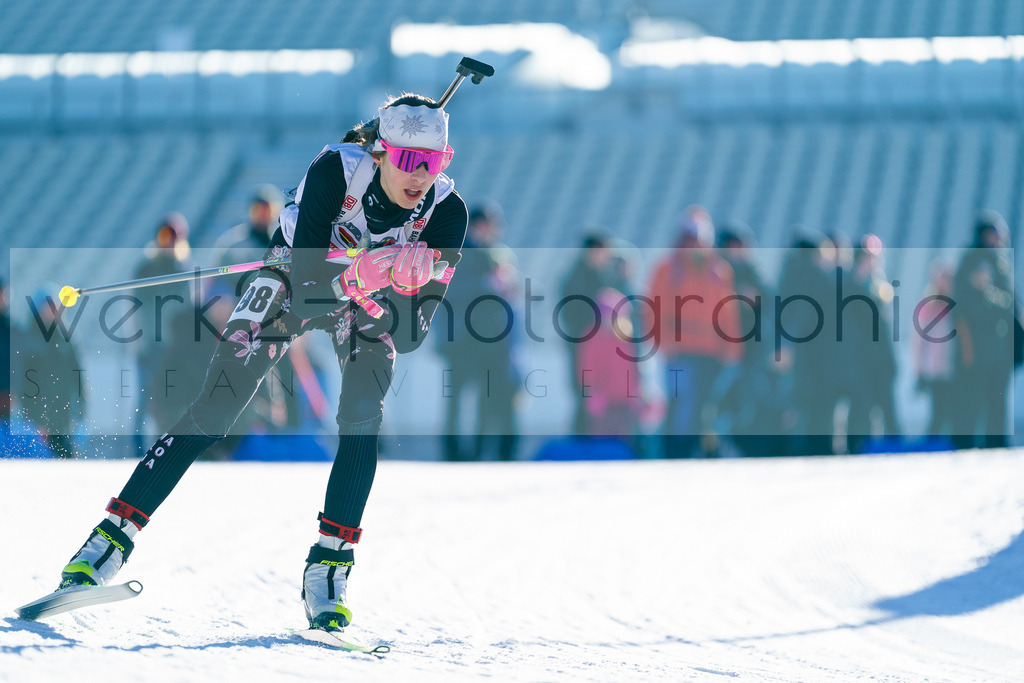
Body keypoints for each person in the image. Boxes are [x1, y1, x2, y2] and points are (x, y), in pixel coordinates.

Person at [57, 93, 469, 633]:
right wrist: (365, 273)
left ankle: (329, 568)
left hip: (364, 303)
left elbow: (412, 335)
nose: (420, 177)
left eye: (434, 162)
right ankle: (109, 539)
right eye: (409, 161)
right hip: (292, 280)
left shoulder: (448, 213)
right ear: (379, 153)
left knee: (364, 415)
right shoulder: (334, 171)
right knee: (216, 409)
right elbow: (308, 284)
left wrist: (412, 286)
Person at [645, 207, 741, 458]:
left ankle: (696, 456)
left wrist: (732, 348)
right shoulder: (667, 269)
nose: (694, 244)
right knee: (680, 405)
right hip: (679, 352)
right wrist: (661, 342)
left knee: (705, 408)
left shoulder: (719, 271)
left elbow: (727, 313)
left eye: (698, 239)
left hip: (711, 353)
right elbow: (652, 308)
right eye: (689, 238)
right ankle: (674, 456)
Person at [436, 203, 522, 461]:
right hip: (461, 339)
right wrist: (488, 283)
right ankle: (453, 453)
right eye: (484, 225)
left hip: (492, 340)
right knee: (457, 399)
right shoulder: (457, 252)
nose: (488, 231)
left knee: (489, 397)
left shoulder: (497, 254)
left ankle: (479, 451)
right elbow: (449, 292)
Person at [950, 210, 1020, 449]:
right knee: (972, 401)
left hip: (999, 347)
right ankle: (965, 446)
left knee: (998, 401)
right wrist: (967, 350)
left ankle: (996, 445)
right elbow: (963, 309)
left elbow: (1009, 302)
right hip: (978, 347)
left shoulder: (999, 262)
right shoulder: (972, 260)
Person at [129, 212, 194, 454]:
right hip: (150, 346)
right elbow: (135, 310)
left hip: (173, 349)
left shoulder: (183, 268)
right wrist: (139, 346)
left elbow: (187, 312)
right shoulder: (146, 268)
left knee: (167, 401)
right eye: (165, 235)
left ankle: (160, 451)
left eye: (174, 236)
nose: (169, 241)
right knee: (144, 400)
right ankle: (136, 451)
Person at [11, 287, 84, 459]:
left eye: (55, 306)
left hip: (63, 416)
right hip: (37, 420)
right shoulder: (27, 340)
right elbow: (23, 383)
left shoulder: (66, 339)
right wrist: (34, 419)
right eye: (48, 306)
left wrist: (80, 410)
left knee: (66, 462)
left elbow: (78, 377)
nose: (53, 311)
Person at [558, 233, 615, 435]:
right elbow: (570, 315)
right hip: (582, 346)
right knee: (585, 394)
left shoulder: (603, 276)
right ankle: (582, 440)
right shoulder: (576, 279)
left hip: (600, 346)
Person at [213, 183, 284, 295]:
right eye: (258, 210)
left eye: (268, 210)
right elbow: (216, 279)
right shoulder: (233, 242)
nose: (263, 215)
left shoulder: (286, 239)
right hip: (239, 300)